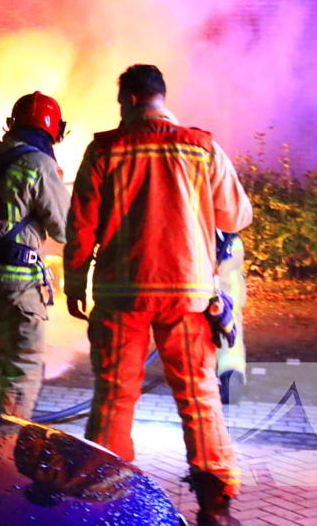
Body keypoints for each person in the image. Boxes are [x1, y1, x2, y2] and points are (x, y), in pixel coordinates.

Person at [64, 64, 252, 526]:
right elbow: (236, 216)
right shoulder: (201, 147)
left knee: (113, 397)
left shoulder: (105, 149)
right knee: (198, 397)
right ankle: (215, 506)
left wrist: (73, 282)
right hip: (188, 295)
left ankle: (103, 499)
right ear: (160, 98)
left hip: (120, 295)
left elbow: (82, 225)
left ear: (128, 100)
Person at [0, 91, 70, 419]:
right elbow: (67, 230)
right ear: (54, 131)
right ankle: (2, 452)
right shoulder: (39, 164)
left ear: (12, 124)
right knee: (20, 371)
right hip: (18, 287)